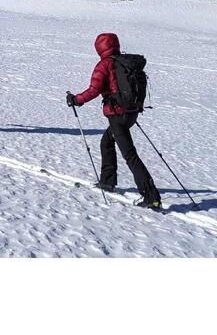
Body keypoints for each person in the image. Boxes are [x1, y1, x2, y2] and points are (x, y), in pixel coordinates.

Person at [66, 32, 162, 210]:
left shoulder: (105, 64)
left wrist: (77, 100)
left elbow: (94, 89)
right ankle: (108, 181)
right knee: (107, 142)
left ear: (100, 48)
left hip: (117, 115)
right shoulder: (125, 62)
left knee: (130, 155)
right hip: (131, 113)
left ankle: (151, 196)